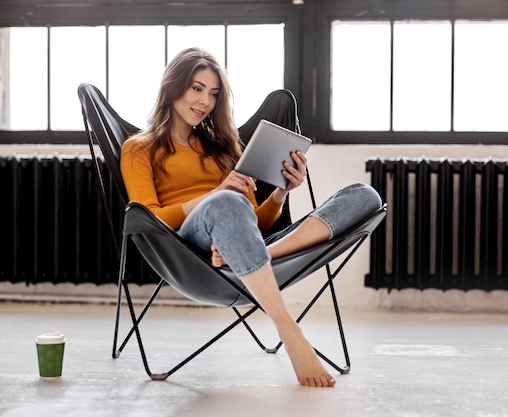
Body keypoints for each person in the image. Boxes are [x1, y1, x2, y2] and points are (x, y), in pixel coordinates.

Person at [120, 47, 383, 387]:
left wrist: (282, 191)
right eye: (197, 89)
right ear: (173, 88)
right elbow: (150, 217)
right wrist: (215, 194)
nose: (205, 102)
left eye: (213, 94)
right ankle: (289, 330)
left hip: (246, 246)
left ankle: (264, 254)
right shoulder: (139, 148)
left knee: (364, 195)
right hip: (190, 248)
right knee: (226, 202)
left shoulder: (225, 148)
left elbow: (255, 224)